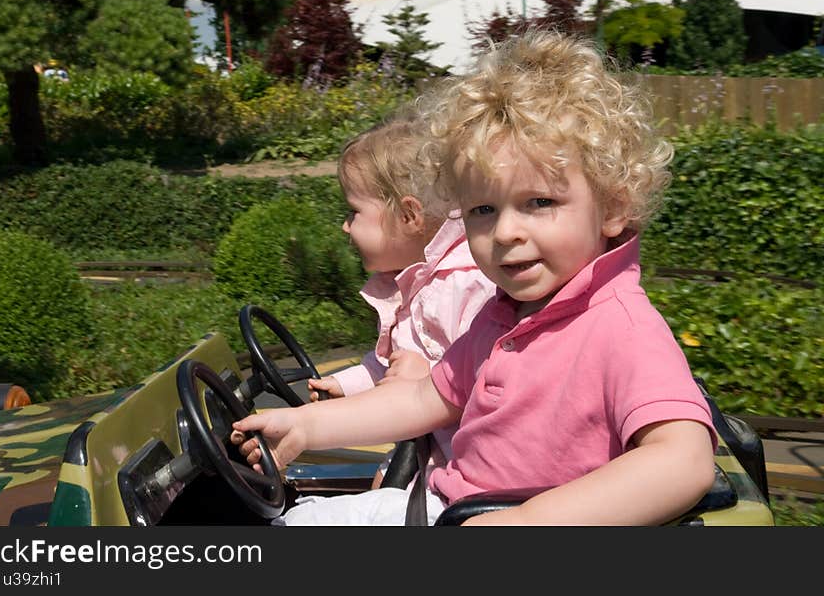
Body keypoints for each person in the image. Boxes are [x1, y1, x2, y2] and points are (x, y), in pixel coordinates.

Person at [232, 30, 718, 525]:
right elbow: (427, 396)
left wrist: (522, 524)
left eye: (540, 202)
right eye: (483, 210)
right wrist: (306, 426)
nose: (506, 231)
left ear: (613, 207)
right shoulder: (505, 314)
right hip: (444, 508)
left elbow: (683, 460)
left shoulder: (619, 326)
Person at [308, 113, 496, 488]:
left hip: (468, 473)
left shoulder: (464, 288)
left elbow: (493, 387)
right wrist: (349, 384)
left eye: (354, 212)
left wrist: (425, 381)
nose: (346, 226)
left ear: (409, 215)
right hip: (428, 451)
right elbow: (398, 362)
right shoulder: (413, 281)